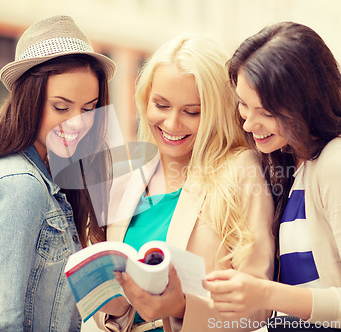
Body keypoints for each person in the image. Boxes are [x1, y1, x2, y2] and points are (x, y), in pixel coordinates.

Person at [203, 22, 341, 332]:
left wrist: (266, 294)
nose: (248, 124)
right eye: (244, 105)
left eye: (266, 112)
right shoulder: (293, 160)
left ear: (305, 103)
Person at [0, 15, 116, 331]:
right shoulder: (21, 184)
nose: (78, 123)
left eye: (89, 108)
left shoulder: (46, 172)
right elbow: (0, 324)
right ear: (29, 100)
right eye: (61, 107)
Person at [94, 35, 275, 332]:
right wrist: (113, 305)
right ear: (145, 101)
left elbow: (259, 308)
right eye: (161, 105)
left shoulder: (241, 169)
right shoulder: (128, 174)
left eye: (192, 112)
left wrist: (181, 309)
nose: (172, 124)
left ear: (217, 111)